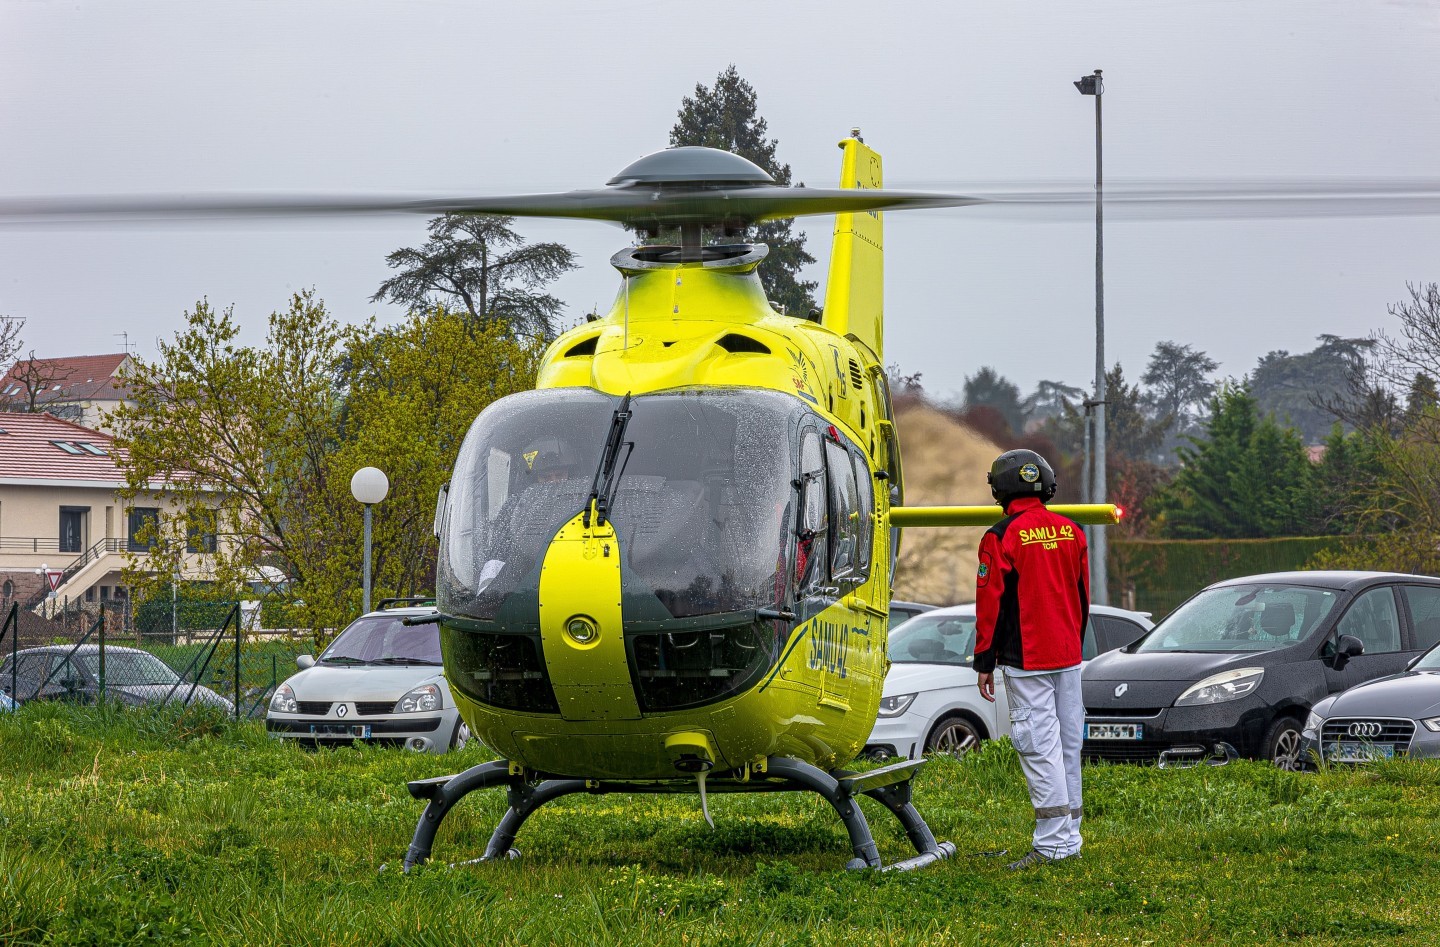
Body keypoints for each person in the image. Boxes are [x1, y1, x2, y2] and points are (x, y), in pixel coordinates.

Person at [972, 449, 1090, 869]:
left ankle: (1053, 845)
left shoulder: (1000, 536)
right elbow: (1083, 597)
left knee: (1039, 747)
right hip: (1068, 656)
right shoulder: (1073, 531)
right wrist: (1072, 644)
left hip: (1027, 660)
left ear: (1001, 489)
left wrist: (984, 659)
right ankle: (1070, 836)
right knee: (1068, 745)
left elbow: (990, 604)